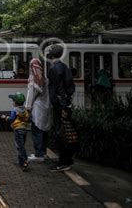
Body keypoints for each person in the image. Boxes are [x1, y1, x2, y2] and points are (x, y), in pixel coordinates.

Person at [47, 44, 77, 172]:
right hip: (64, 104)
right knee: (65, 132)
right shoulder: (64, 67)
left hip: (60, 106)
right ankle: (67, 160)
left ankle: (63, 162)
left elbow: (60, 88)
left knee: (61, 134)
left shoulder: (55, 69)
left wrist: (63, 106)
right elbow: (69, 87)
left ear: (52, 55)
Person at [25, 58, 52, 163]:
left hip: (37, 108)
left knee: (37, 130)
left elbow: (30, 96)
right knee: (44, 131)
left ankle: (39, 154)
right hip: (45, 107)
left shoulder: (34, 81)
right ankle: (43, 152)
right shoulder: (45, 79)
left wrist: (27, 108)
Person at [2, 92, 30, 172]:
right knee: (21, 145)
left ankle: (25, 160)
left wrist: (5, 117)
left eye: (13, 101)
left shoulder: (14, 110)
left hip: (18, 130)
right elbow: (28, 119)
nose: (12, 102)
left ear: (15, 102)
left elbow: (11, 119)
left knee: (19, 146)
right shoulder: (25, 110)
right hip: (24, 129)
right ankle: (21, 163)